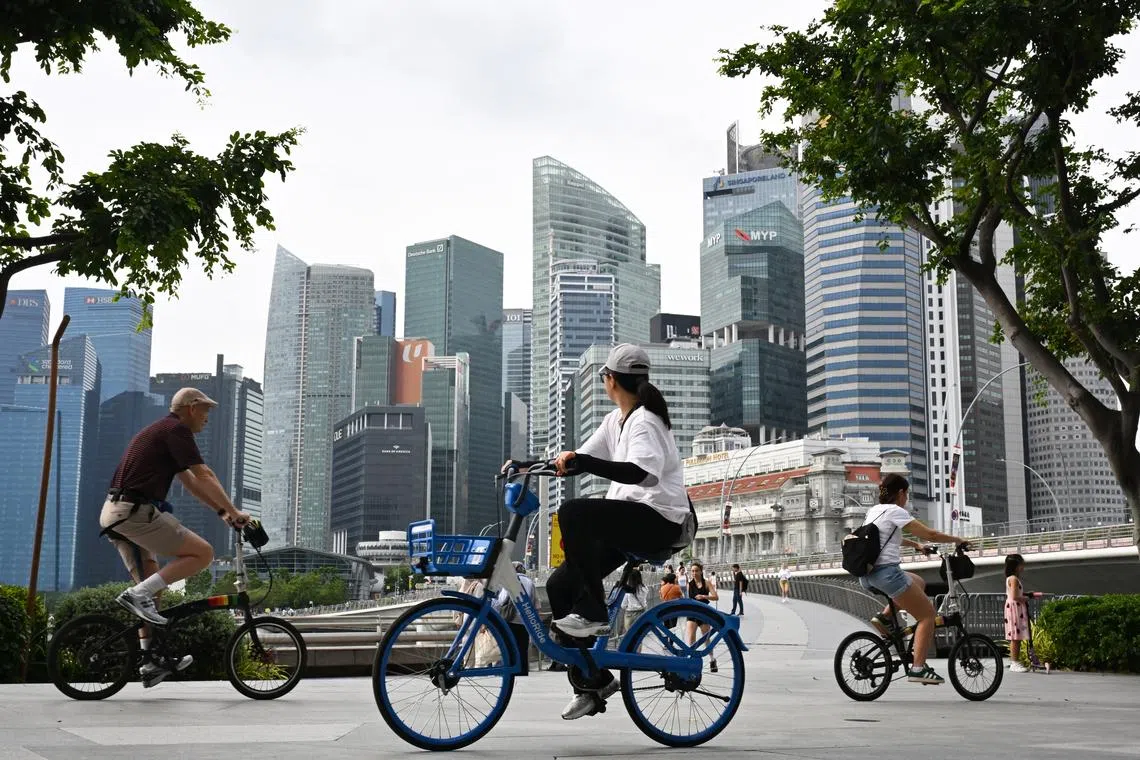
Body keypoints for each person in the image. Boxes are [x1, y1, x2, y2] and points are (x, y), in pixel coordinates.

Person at [543, 344, 694, 721]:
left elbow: (644, 474)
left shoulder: (644, 421)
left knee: (574, 512)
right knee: (559, 586)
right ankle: (591, 681)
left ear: (610, 380)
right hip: (636, 522)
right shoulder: (617, 420)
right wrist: (529, 465)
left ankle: (592, 611)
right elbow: (577, 459)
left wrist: (588, 463)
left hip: (662, 521)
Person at [98, 388, 250, 686]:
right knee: (202, 553)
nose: (207, 417)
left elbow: (192, 484)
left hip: (116, 513)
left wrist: (223, 513)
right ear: (191, 408)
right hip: (134, 512)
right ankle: (137, 596)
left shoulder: (162, 431)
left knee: (151, 590)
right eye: (205, 410)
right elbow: (204, 474)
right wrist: (234, 511)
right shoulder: (176, 429)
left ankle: (150, 663)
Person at [858, 473, 968, 685]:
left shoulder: (875, 511)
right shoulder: (895, 511)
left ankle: (884, 618)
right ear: (900, 493)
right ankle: (918, 668)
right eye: (906, 493)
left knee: (918, 581)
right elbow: (931, 534)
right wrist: (958, 540)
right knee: (927, 615)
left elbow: (888, 538)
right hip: (887, 573)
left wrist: (916, 546)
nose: (906, 498)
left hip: (867, 575)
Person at [493, 562, 538, 675]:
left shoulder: (510, 581)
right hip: (525, 621)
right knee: (522, 648)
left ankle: (509, 670)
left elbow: (502, 600)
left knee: (508, 647)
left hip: (510, 620)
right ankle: (522, 671)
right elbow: (535, 602)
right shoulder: (529, 582)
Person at [686, 560, 720, 672]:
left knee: (706, 638)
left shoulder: (706, 583)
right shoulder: (689, 584)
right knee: (691, 637)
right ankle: (693, 658)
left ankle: (712, 659)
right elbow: (687, 599)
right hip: (692, 613)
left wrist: (704, 596)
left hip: (703, 613)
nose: (694, 573)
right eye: (692, 571)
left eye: (696, 571)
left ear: (701, 572)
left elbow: (716, 597)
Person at [1004, 553, 1031, 673]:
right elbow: (1015, 596)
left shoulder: (1011, 578)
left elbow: (1014, 594)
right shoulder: (1014, 579)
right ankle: (1014, 662)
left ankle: (1015, 661)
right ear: (1015, 566)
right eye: (1021, 564)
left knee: (1016, 636)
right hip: (1015, 608)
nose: (1023, 566)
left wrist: (1026, 594)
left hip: (1014, 608)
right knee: (1015, 637)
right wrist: (1025, 599)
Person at [618, 568, 649, 636]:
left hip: (630, 614)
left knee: (630, 635)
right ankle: (639, 647)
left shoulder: (629, 591)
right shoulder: (645, 588)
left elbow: (623, 605)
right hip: (641, 612)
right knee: (639, 634)